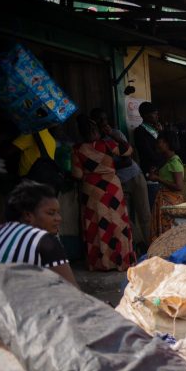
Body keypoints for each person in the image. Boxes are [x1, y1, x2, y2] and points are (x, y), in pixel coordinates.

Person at [0, 180, 77, 285]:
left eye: (58, 213)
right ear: (28, 215)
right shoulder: (43, 240)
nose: (59, 218)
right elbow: (73, 293)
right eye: (51, 213)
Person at [72, 115, 136, 271]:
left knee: (97, 223)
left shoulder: (77, 149)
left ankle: (102, 262)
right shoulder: (108, 143)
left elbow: (78, 175)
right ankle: (120, 260)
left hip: (92, 189)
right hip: (112, 187)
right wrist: (113, 135)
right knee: (117, 222)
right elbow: (128, 150)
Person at [90, 108, 152, 249]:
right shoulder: (94, 141)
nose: (103, 123)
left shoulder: (115, 134)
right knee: (124, 217)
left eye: (104, 119)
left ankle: (151, 246)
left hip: (134, 176)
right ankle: (140, 244)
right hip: (117, 183)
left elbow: (128, 160)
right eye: (99, 120)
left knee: (144, 214)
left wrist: (112, 136)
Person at [149, 130, 185, 240]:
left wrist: (157, 178)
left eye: (160, 142)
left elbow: (179, 186)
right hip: (165, 201)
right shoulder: (168, 161)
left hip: (170, 202)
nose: (158, 145)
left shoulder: (174, 162)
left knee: (169, 234)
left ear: (167, 143)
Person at [133, 102, 163, 175]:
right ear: (145, 115)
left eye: (157, 114)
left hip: (161, 167)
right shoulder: (140, 131)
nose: (157, 116)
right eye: (154, 114)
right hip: (151, 170)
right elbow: (147, 153)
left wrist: (161, 132)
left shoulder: (156, 129)